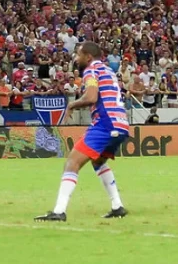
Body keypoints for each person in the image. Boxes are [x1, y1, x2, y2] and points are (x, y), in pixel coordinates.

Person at [35, 42, 129, 222]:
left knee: (72, 162)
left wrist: (72, 104)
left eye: (78, 55)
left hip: (105, 123)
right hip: (121, 123)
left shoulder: (91, 70)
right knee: (98, 162)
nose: (76, 58)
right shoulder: (108, 70)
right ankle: (117, 206)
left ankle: (59, 211)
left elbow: (92, 97)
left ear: (88, 57)